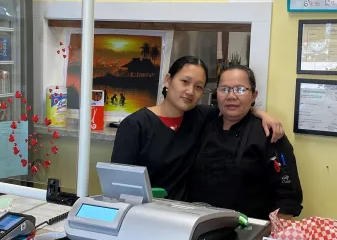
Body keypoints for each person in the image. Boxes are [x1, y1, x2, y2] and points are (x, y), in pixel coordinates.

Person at [111, 56, 284, 200]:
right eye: (184, 81)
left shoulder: (199, 117)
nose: (190, 91)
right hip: (144, 215)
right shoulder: (136, 125)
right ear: (168, 80)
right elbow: (117, 185)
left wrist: (261, 113)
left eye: (198, 87)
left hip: (186, 216)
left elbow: (232, 106)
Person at [186, 65, 302, 220]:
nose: (231, 96)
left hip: (248, 230)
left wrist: (273, 238)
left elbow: (287, 194)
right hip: (197, 223)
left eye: (240, 90)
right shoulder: (203, 123)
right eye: (224, 89)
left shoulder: (267, 133)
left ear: (253, 95)